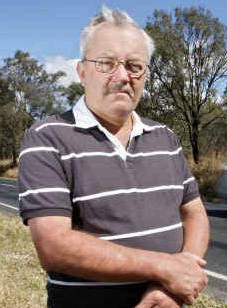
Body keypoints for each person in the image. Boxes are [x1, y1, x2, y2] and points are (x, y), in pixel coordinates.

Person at [18, 6, 209, 308]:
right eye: (106, 63)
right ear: (82, 72)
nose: (122, 76)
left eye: (134, 66)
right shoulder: (47, 137)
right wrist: (164, 267)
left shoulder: (166, 138)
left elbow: (194, 213)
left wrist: (173, 286)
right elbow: (54, 247)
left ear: (145, 74)